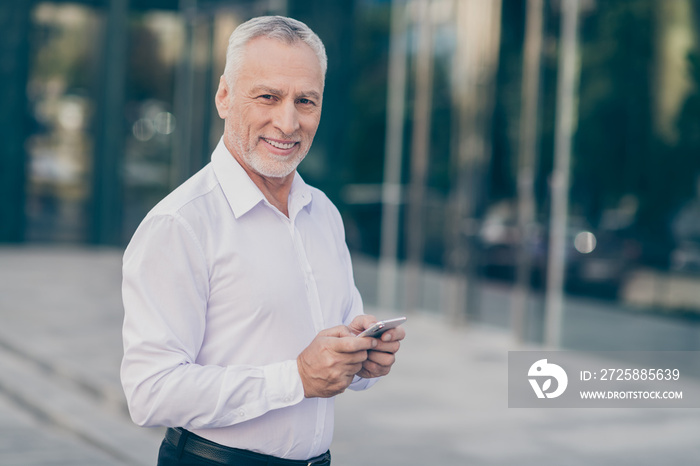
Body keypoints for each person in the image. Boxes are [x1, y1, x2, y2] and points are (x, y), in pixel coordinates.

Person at [120, 15, 405, 466]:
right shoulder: (180, 224)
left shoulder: (323, 214)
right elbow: (150, 392)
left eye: (305, 101)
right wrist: (295, 377)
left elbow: (333, 345)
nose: (287, 122)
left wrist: (363, 360)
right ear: (224, 96)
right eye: (268, 97)